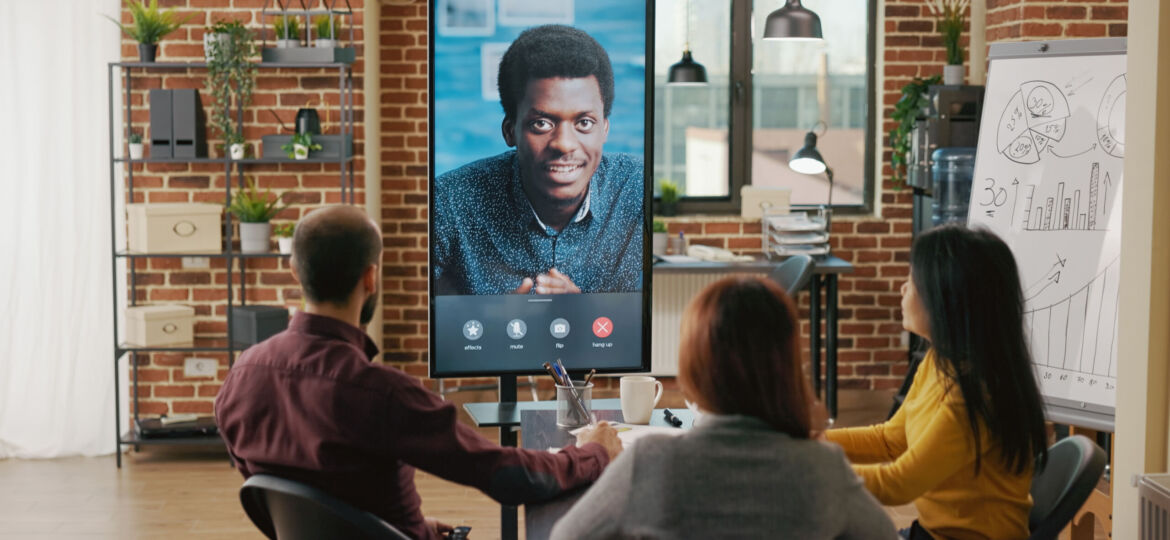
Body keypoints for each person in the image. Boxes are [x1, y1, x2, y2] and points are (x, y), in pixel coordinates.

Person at [215, 206, 622, 540]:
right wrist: (594, 453)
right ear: (370, 278)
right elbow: (508, 476)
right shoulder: (381, 394)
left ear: (294, 272)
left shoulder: (241, 378)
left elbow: (291, 496)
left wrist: (403, 528)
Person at [550, 275, 895, 539]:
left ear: (694, 367)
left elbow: (567, 536)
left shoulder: (651, 462)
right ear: (788, 366)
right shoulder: (824, 469)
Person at [825, 225, 1049, 540]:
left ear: (946, 299)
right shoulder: (939, 360)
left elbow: (898, 484)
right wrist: (818, 442)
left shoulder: (974, 395)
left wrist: (812, 467)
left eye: (913, 282)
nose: (903, 289)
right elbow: (891, 439)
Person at [433, 24, 644, 296]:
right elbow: (422, 316)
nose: (564, 144)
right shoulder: (450, 203)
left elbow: (648, 319)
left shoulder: (636, 190)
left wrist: (585, 311)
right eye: (542, 124)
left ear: (604, 128)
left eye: (584, 122)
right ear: (510, 131)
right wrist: (491, 322)